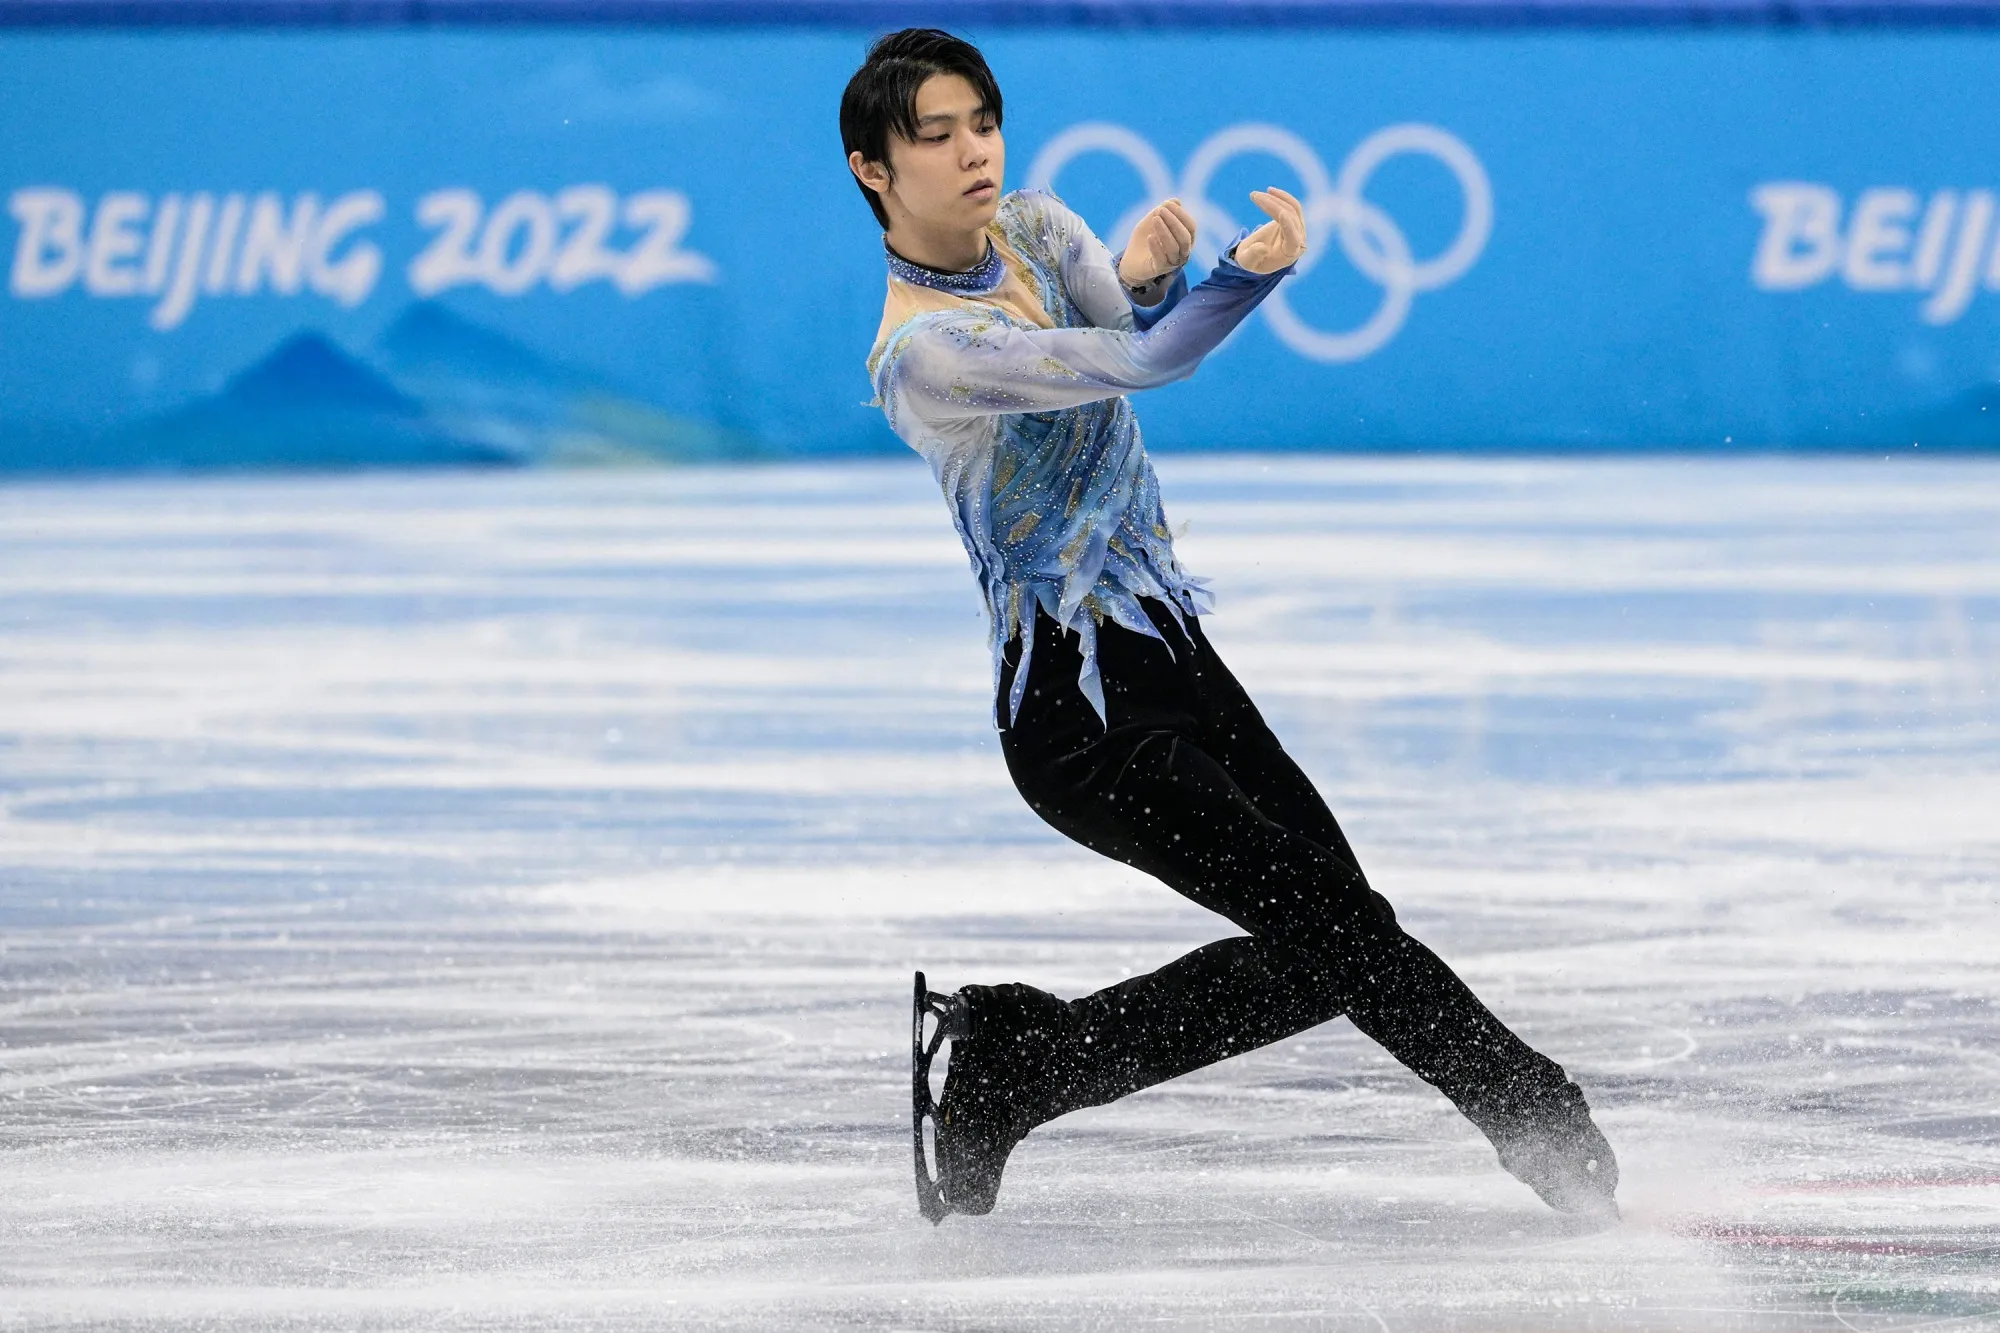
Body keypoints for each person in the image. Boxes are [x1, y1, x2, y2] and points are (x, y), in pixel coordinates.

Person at [842, 27, 1619, 1225]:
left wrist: (1151, 273)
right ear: (873, 169)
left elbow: (1123, 316)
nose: (972, 152)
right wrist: (1241, 277)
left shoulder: (1036, 225)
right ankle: (1539, 1121)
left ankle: (1025, 1061)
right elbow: (1144, 359)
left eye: (981, 124)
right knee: (1336, 931)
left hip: (1173, 657)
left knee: (1334, 937)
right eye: (935, 136)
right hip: (1075, 717)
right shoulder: (924, 354)